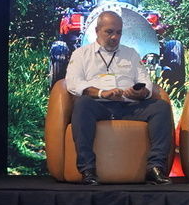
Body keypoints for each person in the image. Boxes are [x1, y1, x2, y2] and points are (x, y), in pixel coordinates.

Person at [63, 10, 173, 185]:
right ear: (97, 30)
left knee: (161, 107)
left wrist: (141, 92)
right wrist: (102, 93)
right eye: (109, 32)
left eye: (118, 32)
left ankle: (155, 167)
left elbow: (145, 81)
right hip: (98, 105)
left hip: (129, 105)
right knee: (82, 104)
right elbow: (73, 83)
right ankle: (88, 170)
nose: (114, 37)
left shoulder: (131, 53)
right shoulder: (81, 54)